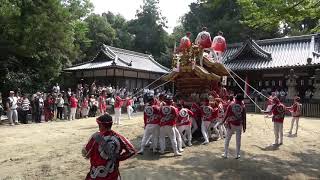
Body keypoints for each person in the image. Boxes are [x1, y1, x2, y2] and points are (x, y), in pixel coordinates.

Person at [82, 114, 136, 180]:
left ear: (101, 125)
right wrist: (118, 158)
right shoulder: (119, 137)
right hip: (112, 174)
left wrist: (84, 148)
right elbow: (132, 150)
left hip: (96, 175)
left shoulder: (95, 137)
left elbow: (86, 154)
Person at [221, 94, 246, 159]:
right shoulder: (243, 106)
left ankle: (226, 154)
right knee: (238, 140)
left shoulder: (231, 105)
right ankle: (237, 154)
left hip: (231, 124)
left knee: (227, 139)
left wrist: (223, 121)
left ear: (236, 98)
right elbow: (244, 117)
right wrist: (244, 126)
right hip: (239, 125)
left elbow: (226, 114)